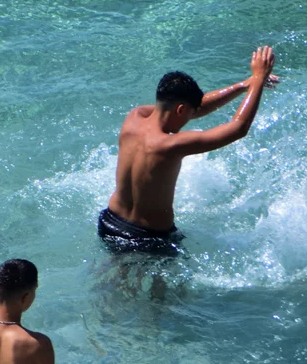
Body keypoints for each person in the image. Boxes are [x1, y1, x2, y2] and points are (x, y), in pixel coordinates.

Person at [98, 46, 278, 254]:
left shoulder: (135, 117)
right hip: (147, 238)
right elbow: (238, 128)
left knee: (114, 281)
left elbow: (194, 108)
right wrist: (258, 79)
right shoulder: (169, 145)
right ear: (181, 109)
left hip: (110, 223)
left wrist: (244, 85)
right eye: (188, 113)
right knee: (167, 287)